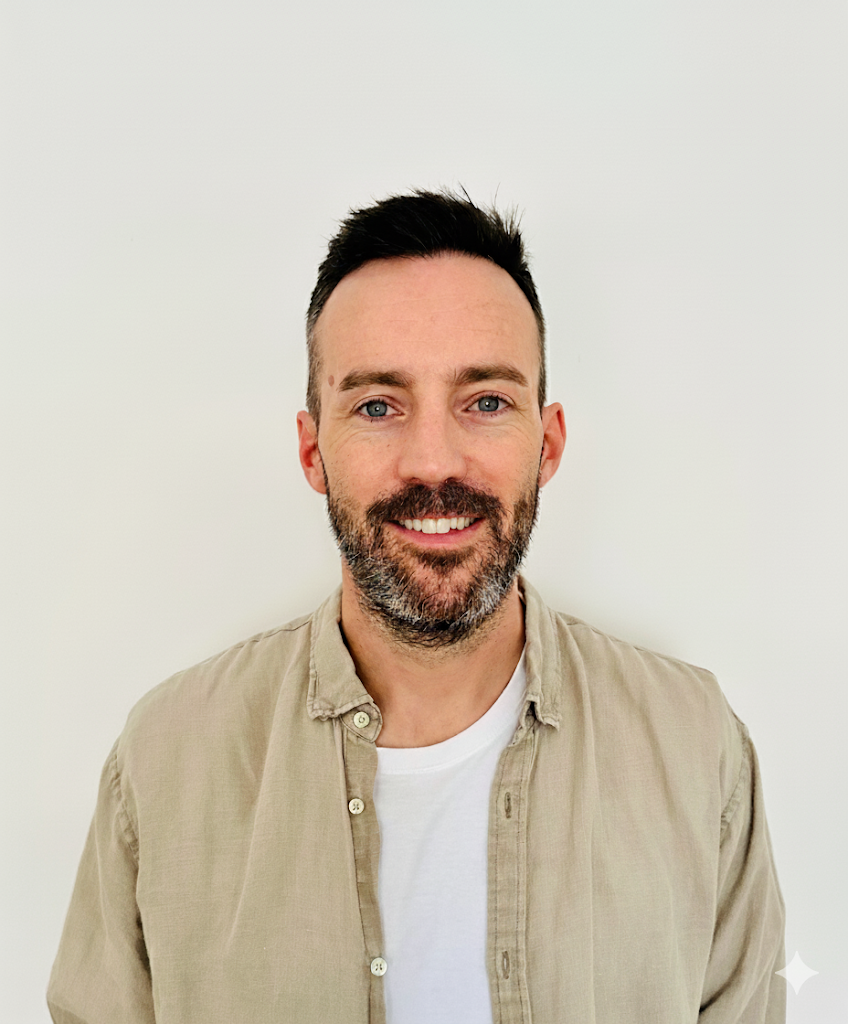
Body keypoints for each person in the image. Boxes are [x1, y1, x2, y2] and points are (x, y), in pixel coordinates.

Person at [48, 189, 786, 1024]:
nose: (433, 462)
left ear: (547, 444)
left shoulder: (695, 749)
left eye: (485, 402)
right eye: (377, 406)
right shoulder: (166, 763)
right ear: (312, 450)